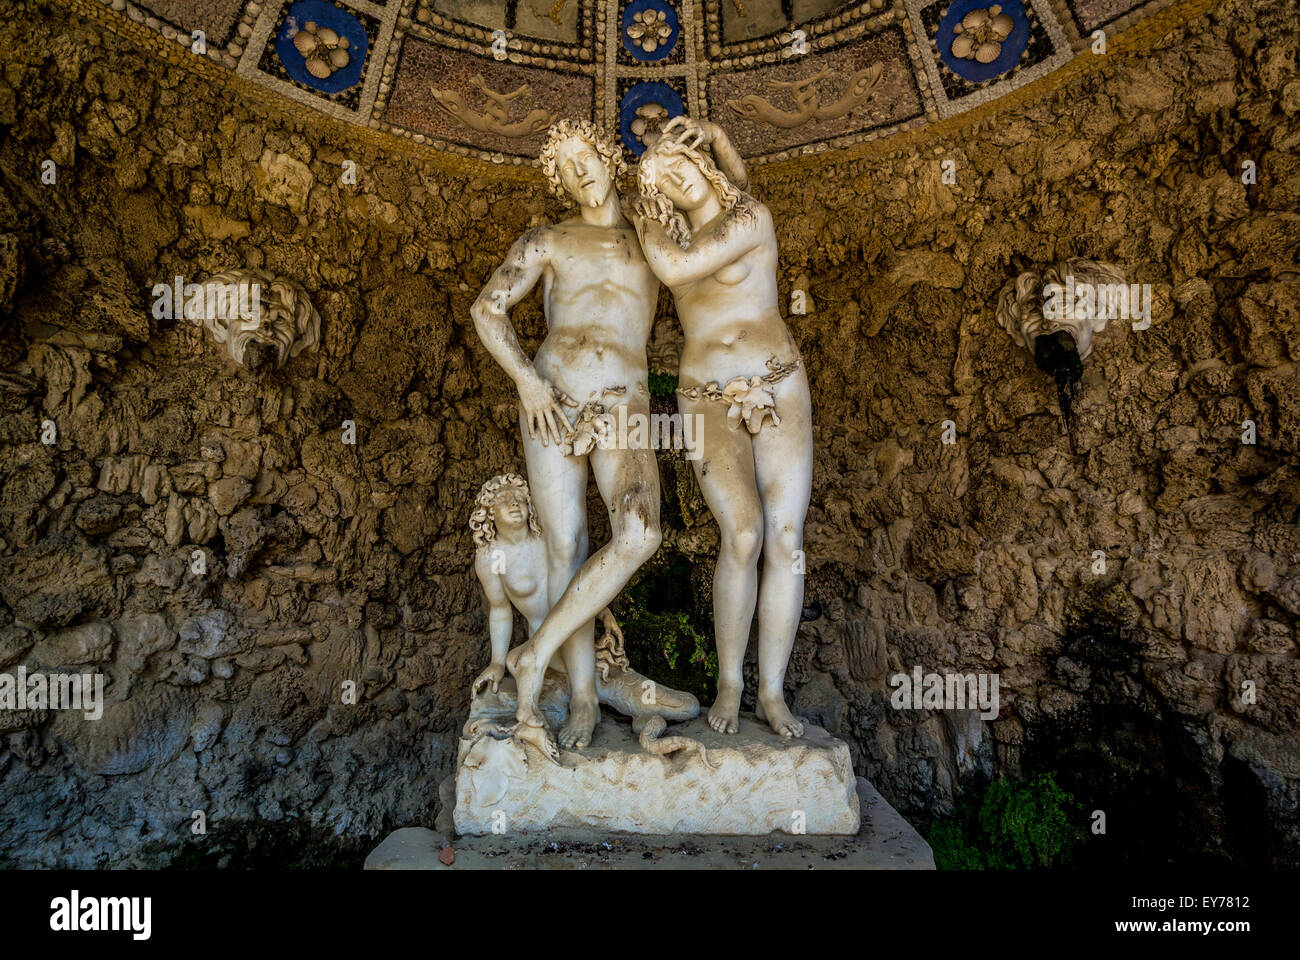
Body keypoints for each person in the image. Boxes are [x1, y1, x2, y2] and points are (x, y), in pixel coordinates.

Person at [631, 117, 813, 739]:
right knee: (740, 534)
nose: (674, 177)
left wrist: (648, 211)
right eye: (661, 181)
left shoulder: (749, 218)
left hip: (777, 380)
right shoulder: (682, 229)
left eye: (676, 163)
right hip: (704, 394)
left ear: (699, 162)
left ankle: (772, 691)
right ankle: (733, 682)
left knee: (786, 540)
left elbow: (679, 269)